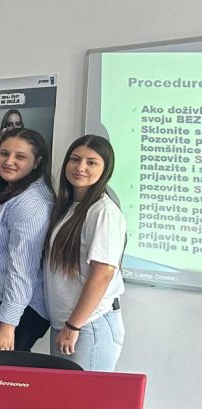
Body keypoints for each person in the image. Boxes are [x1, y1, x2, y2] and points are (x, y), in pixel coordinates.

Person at [0, 128, 54, 352]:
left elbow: (23, 269)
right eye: (4, 153)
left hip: (9, 310)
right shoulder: (10, 190)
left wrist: (8, 324)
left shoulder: (31, 203)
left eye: (20, 156)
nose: (9, 161)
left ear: (37, 162)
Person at [44, 135, 126, 371]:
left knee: (83, 395)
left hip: (88, 325)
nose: (80, 167)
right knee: (64, 393)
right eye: (75, 159)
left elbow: (103, 274)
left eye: (91, 162)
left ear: (105, 169)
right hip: (68, 324)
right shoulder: (69, 207)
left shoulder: (104, 212)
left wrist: (74, 325)